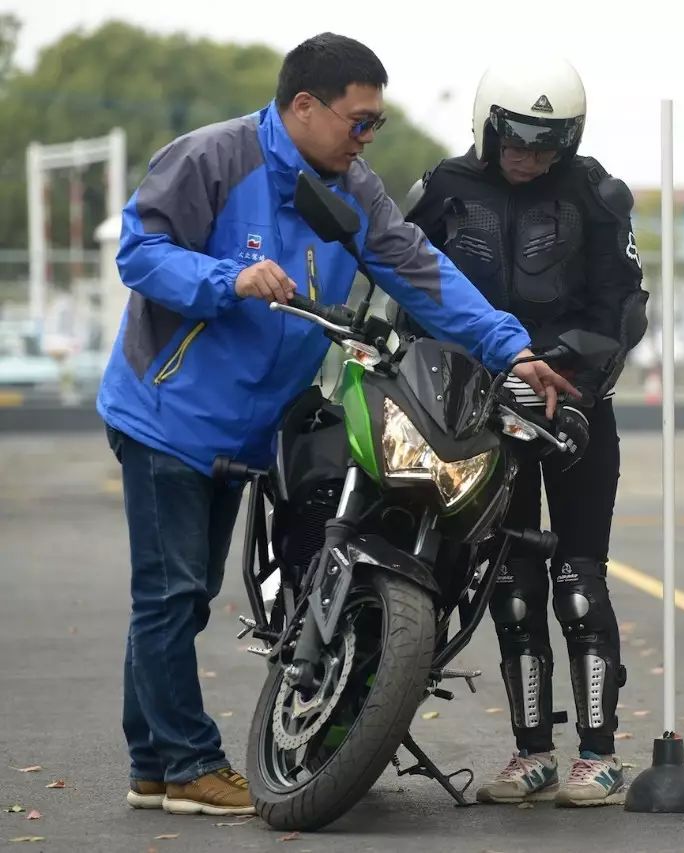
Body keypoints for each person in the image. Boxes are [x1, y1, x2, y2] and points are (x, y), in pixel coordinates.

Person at [96, 33, 576, 818]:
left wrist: (510, 348)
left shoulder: (355, 188)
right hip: (166, 415)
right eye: (359, 121)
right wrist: (229, 277)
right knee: (173, 591)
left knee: (178, 595)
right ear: (303, 107)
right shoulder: (213, 158)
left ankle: (152, 765)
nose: (367, 138)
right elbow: (142, 253)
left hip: (247, 433)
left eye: (375, 125)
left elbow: (418, 268)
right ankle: (185, 763)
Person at [398, 56, 648, 807]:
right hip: (474, 412)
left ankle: (598, 753)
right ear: (487, 125)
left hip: (570, 406)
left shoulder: (597, 194)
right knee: (510, 580)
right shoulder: (442, 191)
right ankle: (531, 751)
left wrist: (573, 376)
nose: (528, 155)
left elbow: (625, 308)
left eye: (547, 143)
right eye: (515, 138)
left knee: (578, 578)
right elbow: (401, 286)